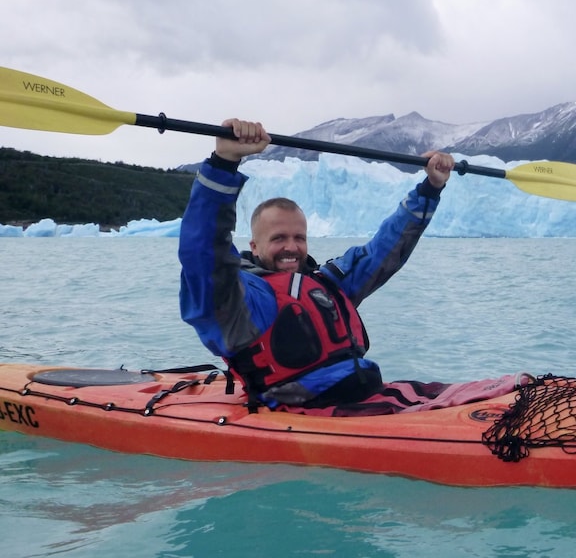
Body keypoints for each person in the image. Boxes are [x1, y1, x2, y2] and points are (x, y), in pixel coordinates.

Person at [179, 119, 524, 416]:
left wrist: (431, 188)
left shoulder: (327, 284)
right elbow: (203, 251)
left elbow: (384, 250)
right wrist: (223, 163)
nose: (291, 247)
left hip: (372, 394)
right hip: (313, 412)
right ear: (254, 246)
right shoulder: (240, 302)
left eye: (299, 237)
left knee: (518, 391)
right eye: (279, 238)